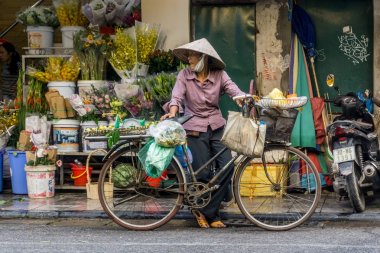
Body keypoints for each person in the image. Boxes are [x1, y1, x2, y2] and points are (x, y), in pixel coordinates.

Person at [161, 38, 246, 228]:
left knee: (227, 167)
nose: (189, 59)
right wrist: (172, 113)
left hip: (217, 126)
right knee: (204, 173)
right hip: (194, 128)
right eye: (189, 55)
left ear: (203, 58)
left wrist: (243, 98)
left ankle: (203, 210)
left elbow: (233, 90)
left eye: (192, 55)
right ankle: (212, 215)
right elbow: (176, 96)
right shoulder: (184, 75)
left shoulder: (219, 75)